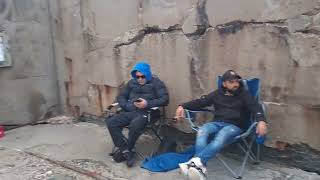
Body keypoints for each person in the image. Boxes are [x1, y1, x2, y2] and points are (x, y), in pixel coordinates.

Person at [174, 70, 267, 180]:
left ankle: (195, 164)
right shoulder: (217, 93)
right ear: (224, 84)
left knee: (222, 134)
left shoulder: (244, 94)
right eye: (231, 82)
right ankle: (200, 167)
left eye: (237, 81)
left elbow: (255, 107)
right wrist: (182, 106)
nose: (236, 84)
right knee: (202, 130)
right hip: (217, 123)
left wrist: (261, 120)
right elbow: (201, 102)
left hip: (235, 126)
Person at [106, 61, 169, 167]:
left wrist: (147, 104)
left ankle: (126, 150)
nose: (139, 79)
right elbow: (121, 96)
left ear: (147, 75)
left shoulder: (157, 83)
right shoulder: (131, 83)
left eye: (142, 76)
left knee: (135, 124)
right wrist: (127, 106)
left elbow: (165, 100)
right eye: (137, 77)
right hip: (130, 111)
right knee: (111, 122)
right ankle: (126, 151)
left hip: (148, 112)